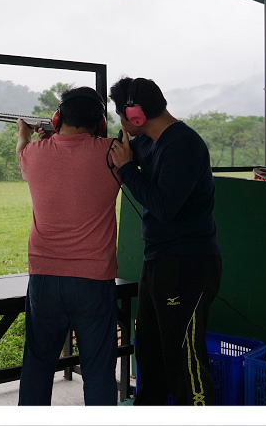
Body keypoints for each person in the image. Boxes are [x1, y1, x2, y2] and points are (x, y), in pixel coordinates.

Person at [107, 77, 222, 406]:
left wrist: (127, 168)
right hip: (159, 261)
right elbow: (124, 151)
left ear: (137, 116)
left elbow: (163, 206)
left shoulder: (183, 145)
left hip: (188, 265)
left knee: (185, 361)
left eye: (121, 114)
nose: (121, 122)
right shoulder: (149, 142)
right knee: (150, 354)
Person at [16, 87, 121, 406]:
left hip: (44, 277)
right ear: (101, 124)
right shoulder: (111, 151)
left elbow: (22, 150)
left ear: (57, 118)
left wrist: (26, 134)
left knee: (37, 365)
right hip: (94, 279)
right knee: (99, 370)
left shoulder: (34, 153)